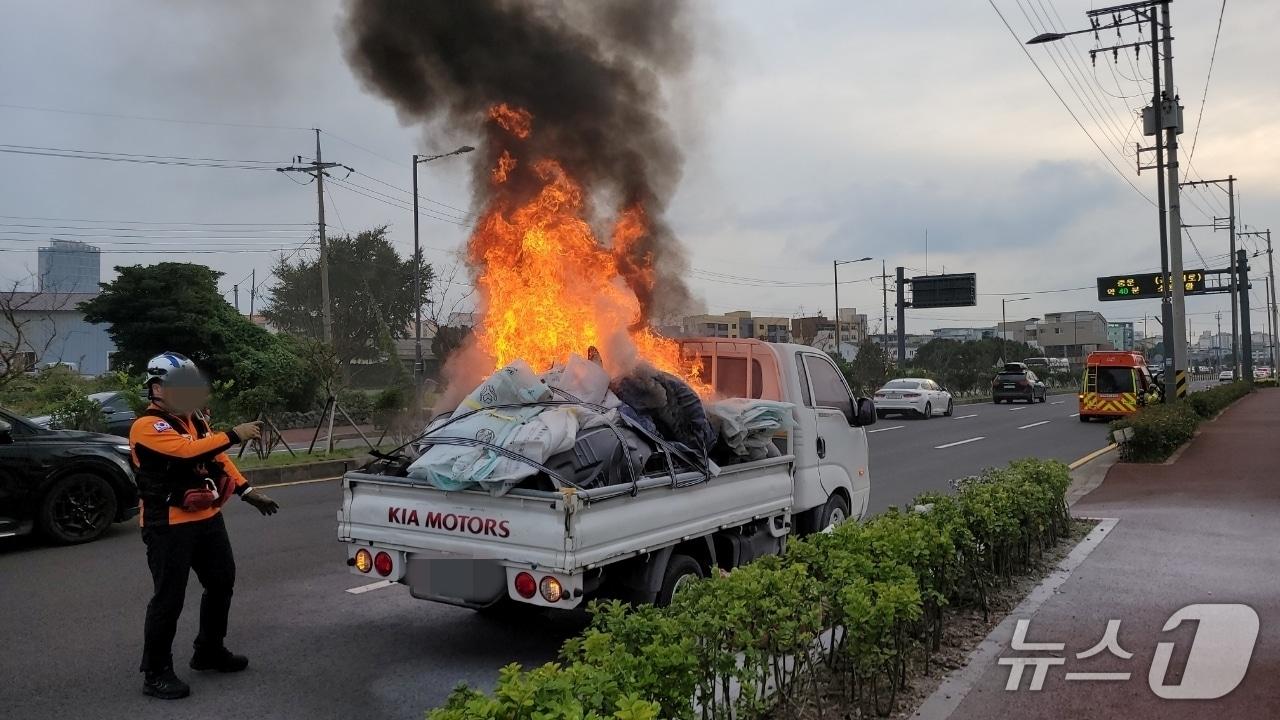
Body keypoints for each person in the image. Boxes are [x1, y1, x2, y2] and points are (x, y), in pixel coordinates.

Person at [130, 351, 280, 700]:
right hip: (167, 523)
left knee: (221, 581)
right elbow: (188, 452)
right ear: (156, 389)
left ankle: (209, 650)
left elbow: (217, 458)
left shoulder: (195, 420)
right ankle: (155, 672)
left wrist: (247, 491)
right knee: (169, 598)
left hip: (208, 518)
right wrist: (234, 433)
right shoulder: (148, 426)